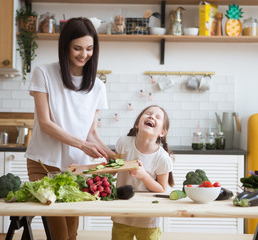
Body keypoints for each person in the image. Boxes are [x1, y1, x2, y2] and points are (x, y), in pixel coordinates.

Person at [24, 17, 115, 240]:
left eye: (90, 48)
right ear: (65, 46)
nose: (84, 54)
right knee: (60, 236)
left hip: (76, 168)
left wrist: (113, 157)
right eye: (77, 48)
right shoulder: (43, 74)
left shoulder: (98, 86)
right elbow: (45, 124)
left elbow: (91, 132)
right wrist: (83, 145)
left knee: (72, 234)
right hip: (44, 164)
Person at [111, 105, 174, 240]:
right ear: (137, 124)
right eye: (148, 114)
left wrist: (144, 176)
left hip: (148, 219)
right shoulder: (124, 143)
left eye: (157, 117)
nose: (151, 116)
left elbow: (162, 189)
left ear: (162, 132)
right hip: (122, 214)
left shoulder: (162, 158)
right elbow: (112, 170)